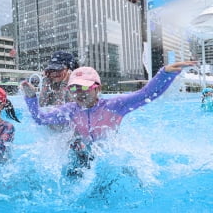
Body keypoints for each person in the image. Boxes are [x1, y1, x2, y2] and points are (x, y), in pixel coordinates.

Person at [22, 61, 197, 177]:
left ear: (97, 88)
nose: (79, 93)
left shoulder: (115, 105)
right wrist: (31, 98)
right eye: (74, 89)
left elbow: (147, 94)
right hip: (81, 153)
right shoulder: (70, 109)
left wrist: (165, 73)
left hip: (107, 154)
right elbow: (40, 118)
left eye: (84, 87)